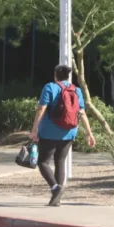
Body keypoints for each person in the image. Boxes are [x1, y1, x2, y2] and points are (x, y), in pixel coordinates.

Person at [28, 64, 96, 207]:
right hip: (69, 132)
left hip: (49, 132)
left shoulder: (50, 87)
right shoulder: (76, 90)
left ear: (55, 75)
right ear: (68, 76)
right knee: (60, 162)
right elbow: (82, 113)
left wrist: (34, 129)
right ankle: (56, 199)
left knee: (43, 162)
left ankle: (55, 187)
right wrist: (89, 133)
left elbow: (41, 108)